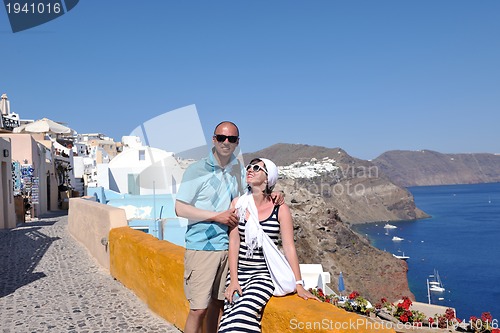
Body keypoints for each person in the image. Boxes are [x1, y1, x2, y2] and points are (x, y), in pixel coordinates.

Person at [175, 122, 283, 333]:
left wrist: (274, 194)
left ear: (237, 143)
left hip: (230, 249)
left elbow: (250, 197)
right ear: (214, 139)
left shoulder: (238, 171)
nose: (226, 142)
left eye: (231, 139)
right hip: (202, 248)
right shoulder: (196, 170)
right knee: (198, 309)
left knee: (219, 306)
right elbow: (180, 208)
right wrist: (217, 216)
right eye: (222, 137)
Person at [218, 158, 319, 333]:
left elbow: (289, 247)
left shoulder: (280, 209)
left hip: (263, 276)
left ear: (268, 178)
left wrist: (299, 284)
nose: (250, 169)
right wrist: (233, 279)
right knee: (229, 317)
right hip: (239, 273)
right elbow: (234, 242)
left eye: (257, 168)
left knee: (242, 314)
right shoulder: (238, 204)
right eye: (249, 166)